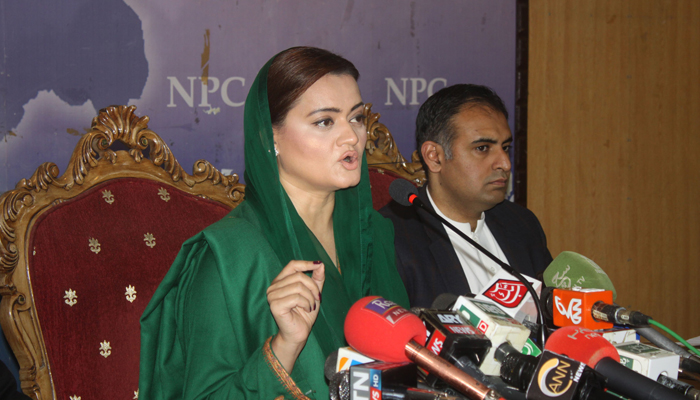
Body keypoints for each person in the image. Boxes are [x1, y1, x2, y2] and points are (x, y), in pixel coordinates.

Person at [138, 47, 409, 399]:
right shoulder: (227, 256)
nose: (352, 137)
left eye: (356, 117)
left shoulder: (375, 232)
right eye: (325, 121)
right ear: (272, 136)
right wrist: (285, 345)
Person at [380, 84, 552, 308]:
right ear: (435, 157)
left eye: (505, 147)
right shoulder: (392, 239)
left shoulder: (522, 224)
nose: (505, 164)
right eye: (482, 148)